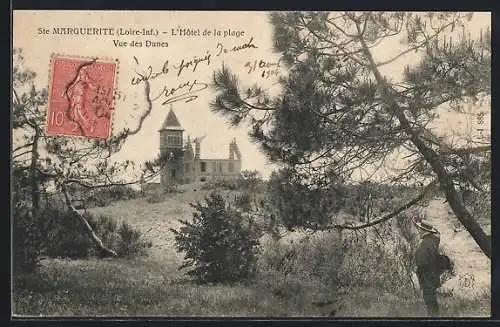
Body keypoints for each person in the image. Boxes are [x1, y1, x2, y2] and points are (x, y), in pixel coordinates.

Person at [414, 219, 452, 316]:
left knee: (430, 303)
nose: (419, 231)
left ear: (424, 231)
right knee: (432, 302)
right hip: (431, 276)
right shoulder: (431, 242)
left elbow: (421, 261)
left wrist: (420, 271)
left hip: (427, 276)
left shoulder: (426, 243)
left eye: (420, 229)